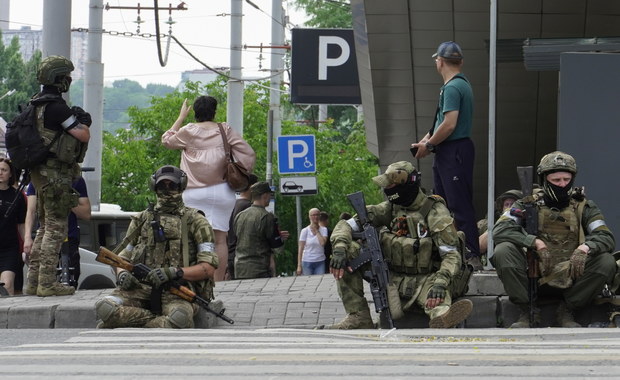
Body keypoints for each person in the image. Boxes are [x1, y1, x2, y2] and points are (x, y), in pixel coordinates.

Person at [328, 161, 473, 329]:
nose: (387, 189)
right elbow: (347, 224)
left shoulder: (435, 212)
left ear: (406, 184)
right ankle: (358, 316)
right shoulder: (391, 208)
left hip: (427, 279)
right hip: (393, 279)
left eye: (391, 185)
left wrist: (442, 281)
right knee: (349, 253)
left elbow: (451, 254)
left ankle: (443, 317)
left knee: (437, 299)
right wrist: (339, 248)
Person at [492, 151, 616, 328]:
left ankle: (567, 309)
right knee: (503, 250)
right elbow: (500, 230)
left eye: (566, 180)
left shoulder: (583, 206)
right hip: (534, 274)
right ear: (544, 179)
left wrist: (586, 247)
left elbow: (606, 236)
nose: (562, 185)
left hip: (571, 275)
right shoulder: (526, 204)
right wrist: (534, 242)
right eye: (556, 181)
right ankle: (528, 311)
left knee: (606, 261)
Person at [95, 165, 218, 328]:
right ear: (154, 186)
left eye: (172, 185)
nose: (167, 190)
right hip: (139, 290)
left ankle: (136, 323)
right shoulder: (142, 220)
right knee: (104, 307)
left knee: (180, 317)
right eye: (162, 185)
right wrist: (123, 274)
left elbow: (208, 267)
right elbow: (122, 258)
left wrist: (175, 272)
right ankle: (153, 321)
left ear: (181, 186)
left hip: (177, 292)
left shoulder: (196, 221)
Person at [162, 96, 256, 282]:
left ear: (195, 113)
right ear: (214, 111)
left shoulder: (188, 131)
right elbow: (249, 153)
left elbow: (167, 141)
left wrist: (180, 117)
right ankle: (217, 282)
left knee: (193, 238)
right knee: (220, 239)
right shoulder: (224, 129)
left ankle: (195, 280)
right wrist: (240, 170)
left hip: (193, 193)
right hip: (222, 191)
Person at [411, 41, 481, 270]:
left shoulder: (452, 88)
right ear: (459, 61)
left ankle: (471, 254)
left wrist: (429, 146)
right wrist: (424, 141)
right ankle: (449, 253)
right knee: (440, 204)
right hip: (449, 150)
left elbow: (449, 125)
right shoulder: (459, 84)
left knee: (458, 205)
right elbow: (441, 123)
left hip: (454, 151)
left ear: (439, 62)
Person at [26, 55, 91, 297]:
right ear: (59, 79)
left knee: (44, 227)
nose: (69, 80)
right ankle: (47, 284)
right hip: (55, 174)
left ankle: (33, 282)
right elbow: (82, 135)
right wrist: (84, 123)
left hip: (39, 174)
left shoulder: (35, 103)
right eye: (66, 77)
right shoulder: (57, 107)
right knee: (55, 227)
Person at [23, 177, 91, 289]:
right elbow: (31, 211)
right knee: (42, 276)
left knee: (73, 275)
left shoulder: (75, 179)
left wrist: (65, 199)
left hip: (69, 237)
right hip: (46, 236)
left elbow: (86, 214)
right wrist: (27, 237)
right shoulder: (38, 178)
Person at [233, 182, 290, 279]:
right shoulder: (267, 217)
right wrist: (280, 238)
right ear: (265, 196)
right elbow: (277, 246)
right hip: (259, 269)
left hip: (239, 267)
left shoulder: (240, 215)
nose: (270, 197)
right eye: (270, 195)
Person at [0, 158, 26, 295]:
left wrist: (27, 242)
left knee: (7, 285)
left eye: (4, 170)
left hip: (9, 249)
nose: (0, 173)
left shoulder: (17, 196)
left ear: (10, 174)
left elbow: (21, 224)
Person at [225, 173, 258, 280]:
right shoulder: (248, 207)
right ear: (252, 187)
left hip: (230, 253)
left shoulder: (232, 204)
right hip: (243, 258)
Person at [478, 189, 522, 256]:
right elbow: (480, 247)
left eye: (513, 205)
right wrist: (501, 224)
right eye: (506, 205)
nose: (509, 208)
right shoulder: (492, 225)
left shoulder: (527, 226)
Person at [296, 208, 328, 275]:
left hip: (320, 260)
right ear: (309, 216)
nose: (315, 217)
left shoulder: (324, 230)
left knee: (320, 280)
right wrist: (299, 265)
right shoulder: (304, 231)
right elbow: (300, 248)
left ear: (319, 216)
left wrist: (317, 231)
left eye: (317, 215)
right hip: (307, 261)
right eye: (313, 215)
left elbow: (322, 243)